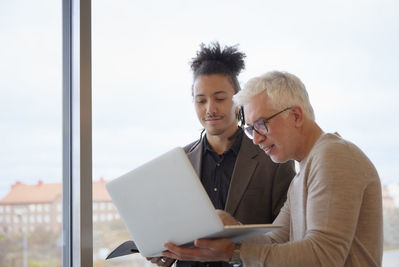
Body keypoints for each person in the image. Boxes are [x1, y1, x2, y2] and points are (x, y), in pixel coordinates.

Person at [162, 71, 383, 266]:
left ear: (296, 115)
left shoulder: (333, 156)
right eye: (250, 129)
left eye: (261, 124)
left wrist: (235, 251)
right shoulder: (304, 172)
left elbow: (323, 257)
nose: (256, 139)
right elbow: (275, 240)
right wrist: (232, 231)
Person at [150, 45, 295, 267]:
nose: (210, 109)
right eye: (201, 101)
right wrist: (166, 252)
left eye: (219, 98)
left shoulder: (272, 156)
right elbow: (175, 234)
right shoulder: (179, 162)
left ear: (238, 101)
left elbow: (288, 237)